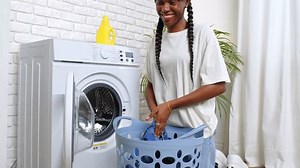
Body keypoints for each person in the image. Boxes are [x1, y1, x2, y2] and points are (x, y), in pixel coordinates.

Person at [144, 0, 231, 167]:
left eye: (172, 2)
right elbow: (149, 84)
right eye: (160, 3)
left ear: (186, 2)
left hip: (196, 135)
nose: (165, 8)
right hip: (165, 134)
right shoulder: (156, 41)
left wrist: (170, 105)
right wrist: (156, 112)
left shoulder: (202, 33)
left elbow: (219, 85)